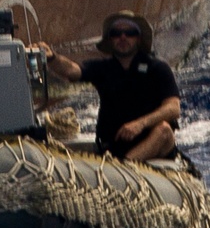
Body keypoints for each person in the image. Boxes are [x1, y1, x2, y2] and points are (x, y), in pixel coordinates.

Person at [43, 11, 180, 162]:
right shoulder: (103, 68)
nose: (123, 37)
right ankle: (119, 166)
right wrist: (52, 57)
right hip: (113, 145)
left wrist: (140, 124)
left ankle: (123, 166)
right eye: (116, 33)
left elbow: (173, 108)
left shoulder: (158, 68)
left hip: (152, 143)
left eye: (130, 33)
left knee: (164, 130)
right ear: (110, 39)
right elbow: (72, 70)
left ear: (139, 38)